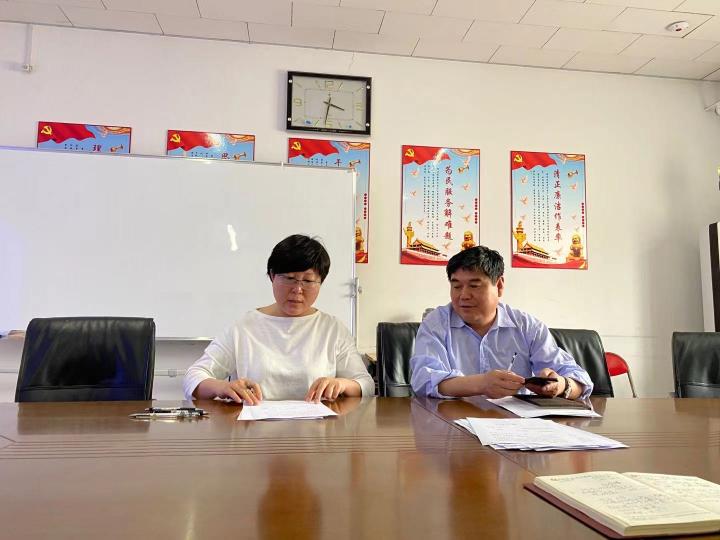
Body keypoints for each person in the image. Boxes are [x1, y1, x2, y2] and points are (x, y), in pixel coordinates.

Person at [183, 234, 374, 404]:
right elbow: (194, 377)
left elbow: (365, 384)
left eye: (308, 281)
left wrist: (341, 384)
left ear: (320, 282)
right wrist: (221, 387)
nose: (297, 289)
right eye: (289, 278)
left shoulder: (332, 329)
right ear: (272, 276)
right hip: (254, 427)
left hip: (316, 429)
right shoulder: (244, 327)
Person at [410, 245, 593, 400]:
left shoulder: (527, 326)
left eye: (474, 286)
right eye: (456, 286)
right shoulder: (436, 324)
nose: (463, 295)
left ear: (499, 286)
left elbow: (580, 381)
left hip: (516, 424)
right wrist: (482, 384)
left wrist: (561, 385)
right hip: (453, 422)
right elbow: (424, 381)